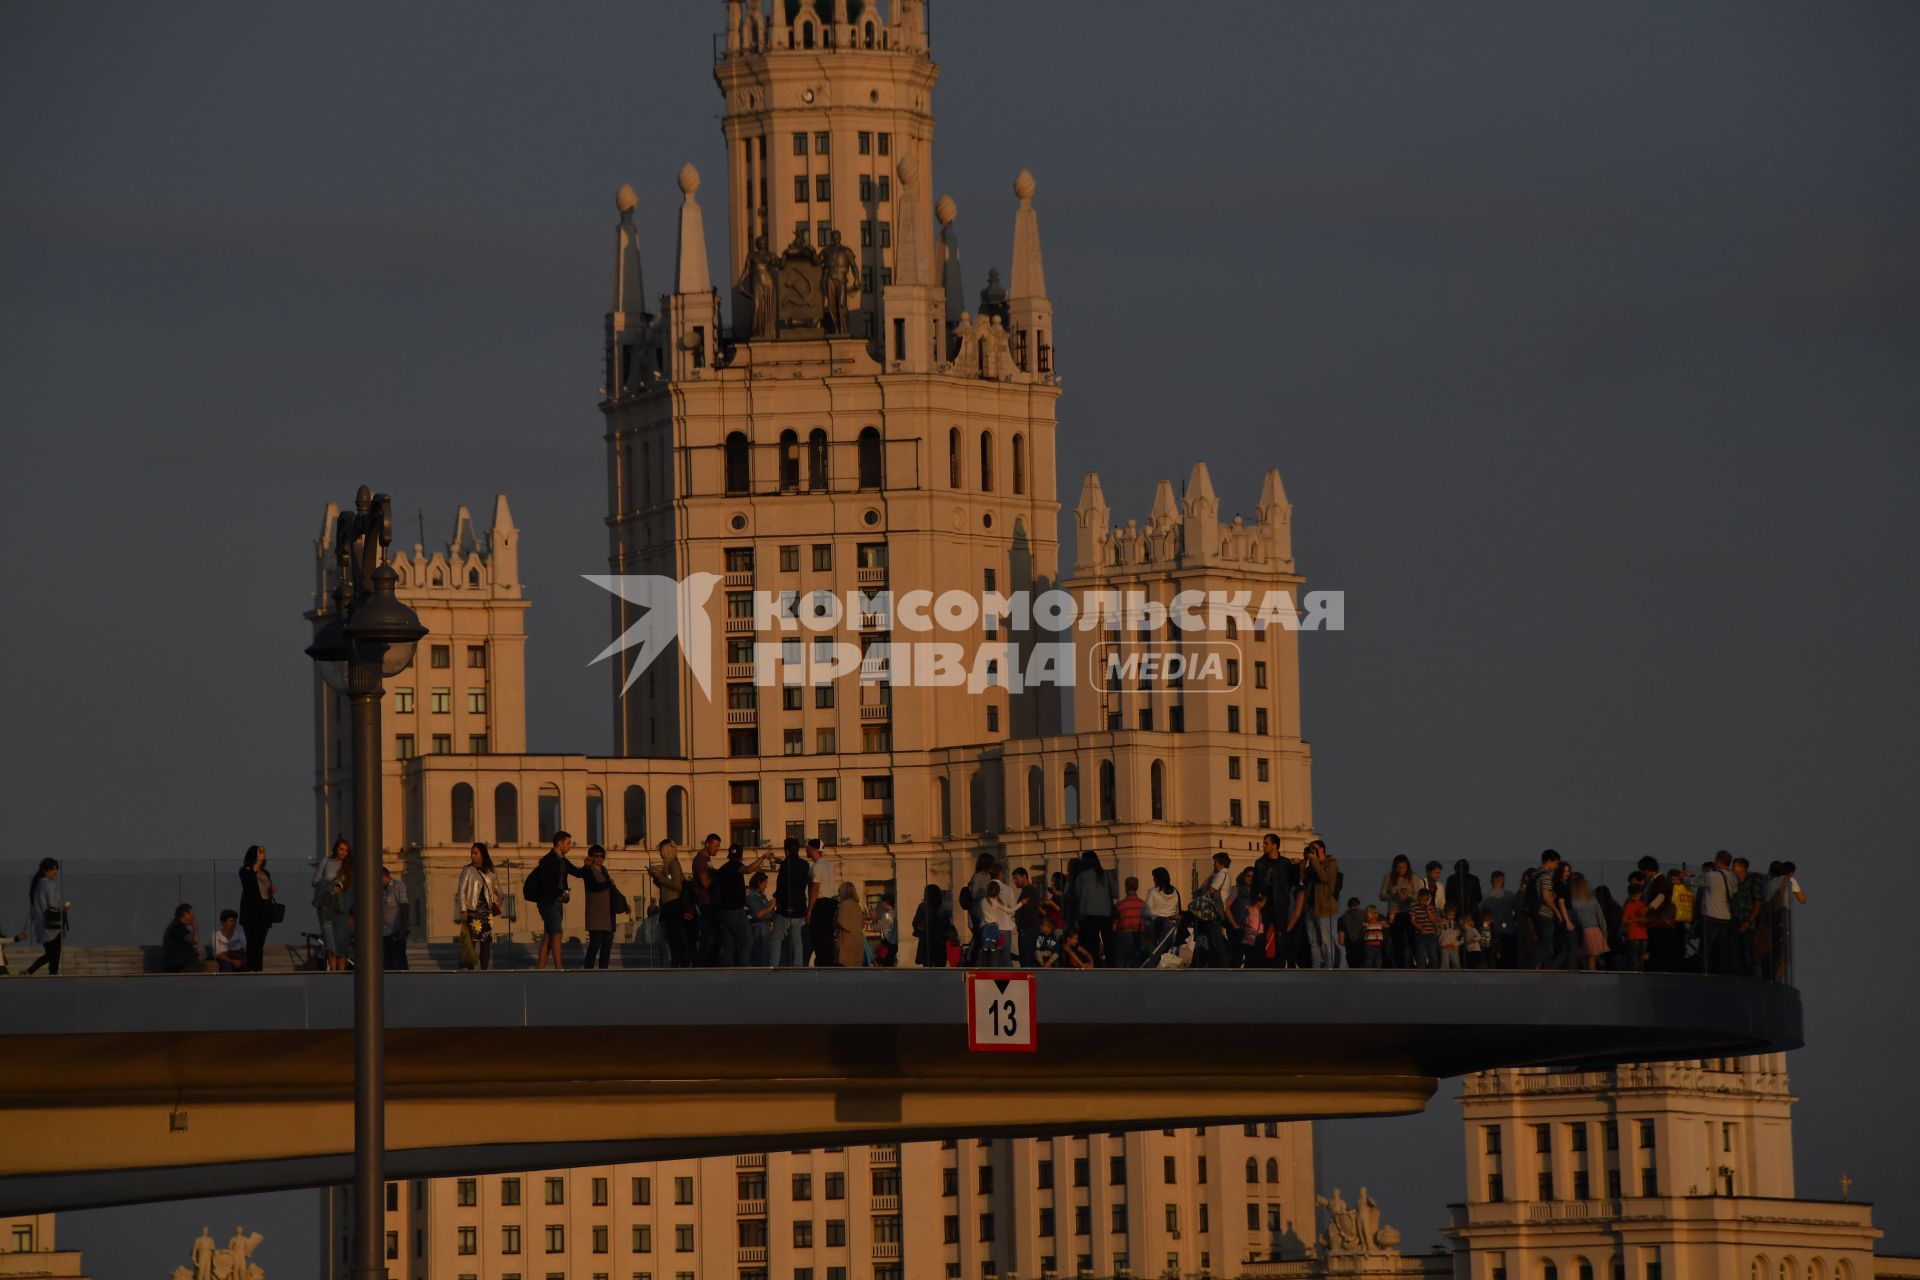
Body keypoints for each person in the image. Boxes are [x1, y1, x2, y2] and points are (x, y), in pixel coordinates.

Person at [527, 831, 580, 971]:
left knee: (549, 934)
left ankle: (540, 968)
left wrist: (587, 865)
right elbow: (546, 883)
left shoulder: (563, 860)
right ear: (559, 843)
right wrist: (561, 892)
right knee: (557, 932)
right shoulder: (548, 859)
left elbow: (577, 872)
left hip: (557, 902)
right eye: (568, 843)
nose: (570, 846)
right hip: (547, 902)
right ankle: (559, 967)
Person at [455, 842, 504, 970]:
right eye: (472, 853)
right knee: (472, 942)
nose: (473, 856)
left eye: (476, 853)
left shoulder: (490, 872)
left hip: (486, 913)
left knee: (485, 942)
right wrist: (463, 910)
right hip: (472, 911)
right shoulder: (467, 870)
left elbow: (499, 891)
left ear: (483, 854)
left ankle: (484, 969)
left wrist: (497, 904)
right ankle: (470, 969)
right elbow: (461, 891)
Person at [579, 844, 627, 970]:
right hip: (595, 914)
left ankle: (603, 970)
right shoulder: (588, 870)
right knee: (595, 944)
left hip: (608, 915)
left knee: (607, 946)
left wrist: (624, 903)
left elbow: (612, 889)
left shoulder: (604, 870)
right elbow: (595, 886)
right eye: (597, 856)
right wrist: (609, 883)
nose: (600, 858)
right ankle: (588, 969)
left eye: (602, 856)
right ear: (591, 857)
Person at [649, 840, 694, 968]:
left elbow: (676, 885)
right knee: (672, 935)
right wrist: (656, 878)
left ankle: (679, 961)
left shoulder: (673, 864)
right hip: (668, 904)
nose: (660, 854)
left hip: (673, 903)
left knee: (675, 936)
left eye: (661, 851)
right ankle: (678, 960)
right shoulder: (668, 865)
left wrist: (660, 877)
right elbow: (667, 885)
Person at [1070, 851, 1117, 967]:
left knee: (1092, 944)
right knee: (1108, 943)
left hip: (1088, 915)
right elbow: (1115, 893)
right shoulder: (1106, 874)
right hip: (1106, 913)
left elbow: (1076, 896)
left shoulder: (1081, 877)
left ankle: (1095, 965)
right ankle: (1111, 966)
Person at [313, 837, 353, 971]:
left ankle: (341, 975)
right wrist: (330, 887)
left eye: (346, 850)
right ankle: (332, 974)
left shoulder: (349, 866)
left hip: (341, 906)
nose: (343, 853)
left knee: (341, 944)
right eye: (341, 849)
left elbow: (352, 887)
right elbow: (315, 881)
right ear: (336, 848)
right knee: (330, 944)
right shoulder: (326, 861)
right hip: (326, 904)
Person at [1695, 850, 1737, 976]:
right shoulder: (1732, 877)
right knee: (1721, 950)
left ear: (1718, 860)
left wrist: (1684, 878)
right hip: (1725, 917)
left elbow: (1693, 881)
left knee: (1706, 949)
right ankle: (1721, 975)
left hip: (1710, 917)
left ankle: (1706, 974)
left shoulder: (1711, 876)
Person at [237, 845, 278, 973]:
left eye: (264, 851)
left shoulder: (265, 872)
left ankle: (258, 969)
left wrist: (272, 890)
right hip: (251, 912)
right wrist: (256, 865)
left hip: (264, 910)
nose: (263, 853)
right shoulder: (245, 870)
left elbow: (266, 890)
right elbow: (249, 885)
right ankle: (251, 968)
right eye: (260, 851)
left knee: (260, 943)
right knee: (252, 941)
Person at [771, 838, 811, 966]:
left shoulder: (785, 865)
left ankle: (774, 964)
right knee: (797, 938)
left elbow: (781, 885)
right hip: (799, 907)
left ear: (786, 850)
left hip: (785, 908)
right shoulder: (805, 865)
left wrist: (777, 899)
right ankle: (798, 964)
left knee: (777, 937)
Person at [1303, 840, 1342, 969]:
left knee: (1326, 940)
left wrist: (1314, 861)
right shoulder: (1312, 865)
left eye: (1314, 848)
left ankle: (1329, 966)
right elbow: (1303, 879)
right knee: (1313, 941)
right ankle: (1316, 966)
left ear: (1321, 849)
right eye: (1310, 849)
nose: (1311, 851)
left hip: (1325, 907)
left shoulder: (1331, 862)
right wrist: (1303, 861)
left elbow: (1325, 877)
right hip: (1310, 906)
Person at [808, 839, 842, 967]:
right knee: (827, 937)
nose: (806, 850)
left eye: (808, 848)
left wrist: (809, 911)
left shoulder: (817, 866)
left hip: (820, 905)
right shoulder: (828, 865)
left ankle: (822, 964)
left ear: (813, 849)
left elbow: (815, 889)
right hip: (830, 904)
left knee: (819, 938)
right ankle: (829, 963)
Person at [1379, 856, 1418, 968]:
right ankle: (1399, 965)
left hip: (1409, 910)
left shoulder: (1413, 876)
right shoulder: (1389, 877)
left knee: (1410, 939)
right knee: (1397, 941)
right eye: (1398, 867)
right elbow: (1381, 896)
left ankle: (1411, 963)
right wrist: (1392, 893)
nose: (1401, 870)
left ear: (1407, 867)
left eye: (1403, 867)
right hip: (1394, 912)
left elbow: (1417, 895)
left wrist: (1407, 897)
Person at [1197, 852, 1233, 969]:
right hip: (1218, 911)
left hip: (1214, 912)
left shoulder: (1221, 875)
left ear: (1219, 863)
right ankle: (1219, 963)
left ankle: (1222, 965)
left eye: (1215, 862)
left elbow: (1210, 891)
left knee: (1216, 940)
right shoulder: (1226, 874)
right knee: (1215, 939)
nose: (1214, 865)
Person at [1569, 873, 1608, 970]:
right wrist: (1604, 933)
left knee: (1578, 959)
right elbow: (1600, 918)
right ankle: (1592, 979)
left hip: (1577, 932)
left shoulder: (1571, 901)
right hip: (1593, 931)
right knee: (1592, 959)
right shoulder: (1592, 899)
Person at [1144, 867, 1182, 955]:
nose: (1153, 879)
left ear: (1158, 879)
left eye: (1155, 877)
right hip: (1172, 927)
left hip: (1157, 927)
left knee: (1155, 953)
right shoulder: (1175, 892)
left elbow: (1147, 912)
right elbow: (1177, 910)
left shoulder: (1152, 892)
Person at [1481, 871, 1515, 969]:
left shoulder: (1486, 897)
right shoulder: (1510, 895)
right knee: (1508, 962)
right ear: (1503, 881)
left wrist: (1484, 940)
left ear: (1491, 881)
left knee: (1492, 961)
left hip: (1492, 933)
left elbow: (1483, 919)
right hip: (1508, 932)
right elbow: (1517, 910)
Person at [978, 879, 1016, 968]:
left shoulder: (983, 901)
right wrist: (1022, 903)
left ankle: (988, 975)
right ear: (998, 892)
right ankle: (1005, 977)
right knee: (1005, 956)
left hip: (986, 929)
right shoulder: (997, 902)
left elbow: (982, 916)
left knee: (988, 956)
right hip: (997, 929)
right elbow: (1011, 911)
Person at [912, 884, 952, 968]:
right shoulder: (942, 908)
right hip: (939, 941)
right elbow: (947, 926)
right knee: (939, 968)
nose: (924, 894)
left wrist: (923, 928)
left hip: (928, 942)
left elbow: (916, 923)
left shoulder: (923, 907)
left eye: (926, 892)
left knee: (928, 968)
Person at [1012, 867, 1044, 967]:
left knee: (1027, 960)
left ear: (1024, 876)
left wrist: (1022, 929)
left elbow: (1028, 912)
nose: (1014, 881)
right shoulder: (1027, 890)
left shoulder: (1029, 891)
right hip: (1027, 930)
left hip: (1028, 931)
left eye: (1016, 878)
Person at [1113, 877, 1147, 970]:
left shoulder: (1120, 905)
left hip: (1123, 936)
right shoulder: (1143, 904)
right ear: (1137, 887)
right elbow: (1146, 925)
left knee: (1121, 964)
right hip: (1138, 936)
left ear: (1125, 888)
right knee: (1137, 965)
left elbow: (1114, 926)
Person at [380, 867, 410, 971]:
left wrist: (402, 929)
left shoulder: (398, 886)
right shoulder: (380, 890)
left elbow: (404, 906)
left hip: (396, 931)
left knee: (398, 961)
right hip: (383, 932)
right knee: (386, 963)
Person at [161, 903, 204, 973]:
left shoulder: (177, 925)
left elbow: (182, 945)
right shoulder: (176, 927)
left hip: (180, 965)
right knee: (202, 966)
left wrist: (194, 951)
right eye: (191, 914)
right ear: (185, 914)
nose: (193, 916)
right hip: (178, 967)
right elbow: (195, 940)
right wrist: (195, 926)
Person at [747, 871, 776, 966]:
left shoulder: (761, 896)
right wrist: (771, 907)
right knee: (761, 954)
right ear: (759, 883)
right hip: (759, 928)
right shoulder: (752, 896)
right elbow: (759, 914)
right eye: (765, 883)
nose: (766, 886)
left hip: (767, 926)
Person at [834, 882, 866, 967]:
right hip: (858, 943)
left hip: (847, 944)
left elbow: (841, 922)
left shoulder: (843, 905)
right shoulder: (857, 906)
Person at [1408, 889, 1441, 969]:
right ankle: (1422, 971)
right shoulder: (1414, 908)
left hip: (1431, 935)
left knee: (1432, 954)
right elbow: (1413, 921)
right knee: (1421, 955)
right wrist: (1420, 928)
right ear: (1419, 899)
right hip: (1420, 935)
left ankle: (1433, 971)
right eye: (1422, 900)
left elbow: (1434, 920)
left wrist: (1428, 911)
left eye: (1426, 900)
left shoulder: (1432, 908)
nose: (1424, 902)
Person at [1620, 885, 1649, 973]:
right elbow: (1624, 921)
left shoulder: (1642, 904)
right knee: (1634, 956)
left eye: (1638, 896)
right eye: (1634, 896)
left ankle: (1641, 970)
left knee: (1642, 955)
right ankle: (1635, 971)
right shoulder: (1629, 905)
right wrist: (1637, 919)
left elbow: (1647, 918)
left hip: (1643, 933)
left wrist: (1644, 920)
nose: (1636, 898)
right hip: (1633, 933)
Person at [1446, 859, 1484, 924]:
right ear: (1467, 869)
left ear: (1456, 869)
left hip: (1456, 914)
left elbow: (1448, 898)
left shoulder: (1451, 879)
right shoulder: (1474, 879)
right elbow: (1479, 898)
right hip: (1472, 913)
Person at [1338, 897, 1367, 969]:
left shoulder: (1342, 918)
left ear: (1348, 906)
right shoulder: (1365, 915)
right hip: (1365, 948)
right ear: (1358, 905)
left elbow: (1341, 940)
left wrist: (1347, 944)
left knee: (1354, 972)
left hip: (1351, 949)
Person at [873, 891, 898, 967]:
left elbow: (876, 929)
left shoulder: (887, 915)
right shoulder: (895, 913)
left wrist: (873, 918)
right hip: (893, 945)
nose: (881, 904)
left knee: (882, 965)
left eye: (882, 902)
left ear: (886, 903)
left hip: (887, 945)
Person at [1437, 906, 1463, 971]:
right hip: (1444, 945)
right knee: (1445, 962)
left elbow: (1459, 932)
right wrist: (1439, 925)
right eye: (1449, 914)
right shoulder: (1442, 922)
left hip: (1453, 946)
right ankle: (1445, 976)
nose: (1451, 916)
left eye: (1453, 915)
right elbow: (1438, 931)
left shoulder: (1455, 923)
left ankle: (1456, 976)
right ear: (1445, 913)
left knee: (1456, 963)